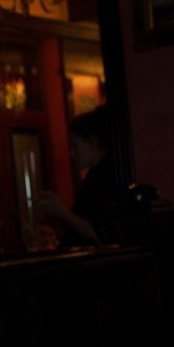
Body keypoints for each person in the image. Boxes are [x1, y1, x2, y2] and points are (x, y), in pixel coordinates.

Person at [36, 105, 119, 247]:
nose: (72, 155)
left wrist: (60, 211)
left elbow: (99, 233)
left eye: (75, 147)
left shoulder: (104, 177)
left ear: (93, 143)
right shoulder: (95, 175)